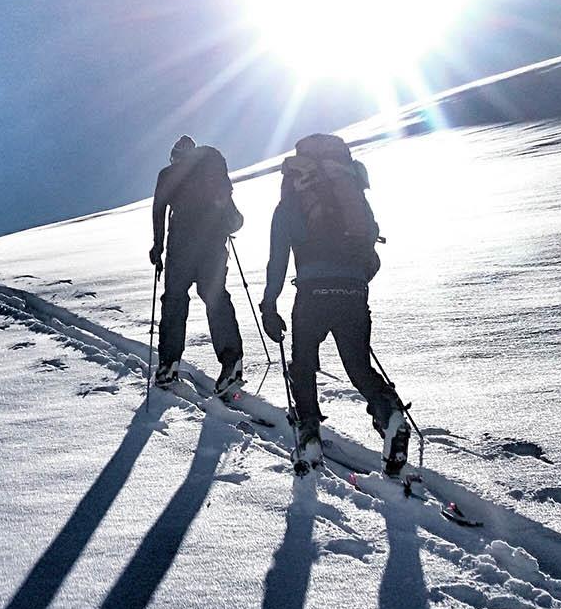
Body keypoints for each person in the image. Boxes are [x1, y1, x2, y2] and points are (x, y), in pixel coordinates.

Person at [258, 133, 410, 473]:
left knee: (303, 363)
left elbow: (278, 261)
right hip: (353, 290)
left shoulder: (290, 206)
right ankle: (389, 416)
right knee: (357, 366)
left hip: (312, 292)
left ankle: (309, 432)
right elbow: (369, 252)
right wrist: (353, 283)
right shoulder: (349, 198)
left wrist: (269, 305)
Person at [149, 134, 246, 395]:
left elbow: (159, 210)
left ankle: (169, 364)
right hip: (213, 245)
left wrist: (158, 246)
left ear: (175, 156)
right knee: (214, 296)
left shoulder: (168, 174)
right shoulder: (212, 173)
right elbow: (234, 217)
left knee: (175, 300)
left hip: (181, 247)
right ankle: (231, 360)